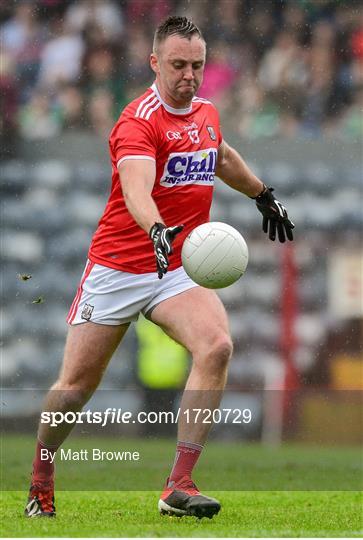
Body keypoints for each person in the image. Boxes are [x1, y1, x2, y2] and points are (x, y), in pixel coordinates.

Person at [25, 16, 294, 520]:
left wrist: (263, 194)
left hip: (175, 268)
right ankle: (41, 476)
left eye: (196, 65)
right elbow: (135, 190)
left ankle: (179, 484)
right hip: (119, 266)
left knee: (216, 346)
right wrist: (156, 229)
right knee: (75, 388)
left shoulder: (207, 112)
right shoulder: (138, 121)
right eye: (178, 65)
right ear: (154, 63)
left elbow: (221, 154)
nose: (189, 75)